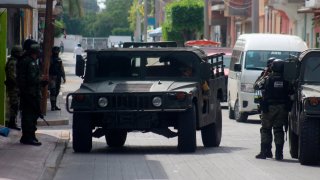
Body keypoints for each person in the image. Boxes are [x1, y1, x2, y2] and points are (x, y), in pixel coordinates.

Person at [254, 59, 291, 160]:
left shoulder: (267, 78)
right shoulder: (286, 80)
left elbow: (256, 86)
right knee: (278, 130)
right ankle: (279, 154)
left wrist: (264, 74)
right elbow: (291, 91)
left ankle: (264, 152)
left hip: (269, 108)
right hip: (282, 108)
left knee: (266, 130)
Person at [17, 40, 47, 146]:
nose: (39, 53)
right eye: (38, 51)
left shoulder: (29, 61)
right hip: (29, 94)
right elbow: (31, 79)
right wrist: (41, 79)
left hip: (32, 93)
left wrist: (41, 82)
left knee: (32, 115)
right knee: (29, 116)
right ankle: (28, 137)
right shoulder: (29, 61)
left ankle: (30, 136)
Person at [4, 45, 23, 130]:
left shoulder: (15, 61)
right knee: (14, 105)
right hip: (13, 87)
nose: (20, 54)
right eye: (19, 53)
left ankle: (12, 122)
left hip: (14, 87)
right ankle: (11, 122)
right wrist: (19, 84)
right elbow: (13, 76)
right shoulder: (13, 62)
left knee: (15, 105)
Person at [49, 46, 66, 111]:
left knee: (57, 92)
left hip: (58, 78)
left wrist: (63, 77)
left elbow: (61, 69)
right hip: (52, 78)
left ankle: (54, 105)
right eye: (55, 51)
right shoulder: (50, 59)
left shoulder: (59, 59)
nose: (56, 52)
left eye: (57, 51)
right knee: (53, 92)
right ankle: (53, 106)